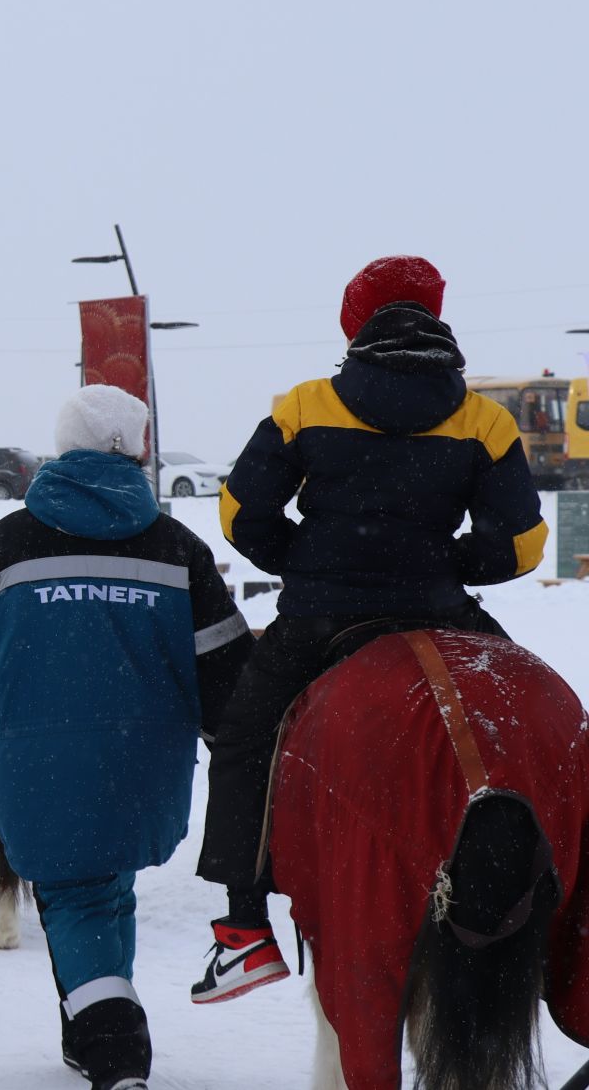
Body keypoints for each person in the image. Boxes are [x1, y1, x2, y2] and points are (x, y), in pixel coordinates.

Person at [193, 255, 549, 1005]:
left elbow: (238, 513)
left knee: (246, 738)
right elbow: (520, 545)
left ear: (354, 322)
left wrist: (305, 559)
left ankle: (243, 931)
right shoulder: (483, 419)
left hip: (321, 615)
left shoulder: (305, 404)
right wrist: (447, 562)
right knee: (537, 728)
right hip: (437, 608)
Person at [0, 385, 253, 1090]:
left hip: (40, 760)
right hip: (149, 759)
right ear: (139, 449)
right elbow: (226, 668)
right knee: (110, 883)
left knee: (74, 894)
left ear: (62, 444)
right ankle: (89, 1027)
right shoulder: (178, 548)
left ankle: (114, 1047)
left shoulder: (3, 546)